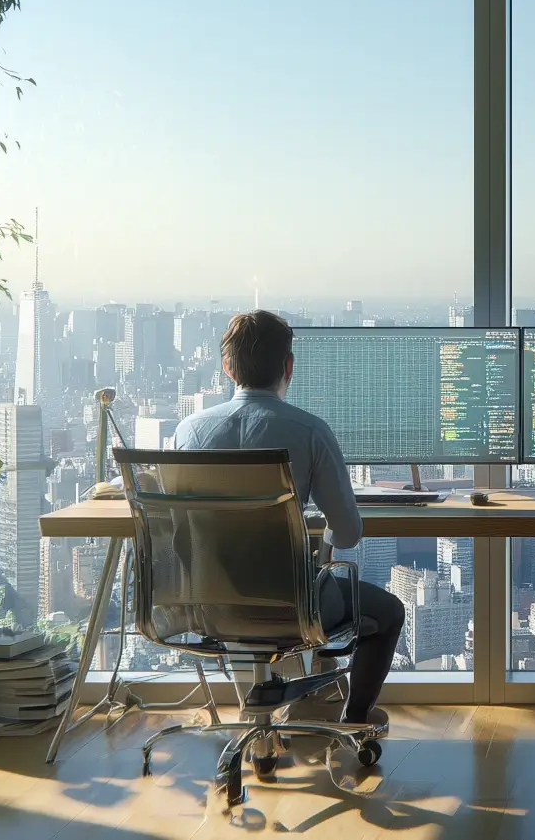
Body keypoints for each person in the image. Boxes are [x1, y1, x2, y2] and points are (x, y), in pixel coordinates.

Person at [172, 310, 404, 730]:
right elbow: (349, 532)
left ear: (227, 367)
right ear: (289, 367)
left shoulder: (188, 433)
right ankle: (354, 718)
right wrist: (319, 540)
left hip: (207, 605)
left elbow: (179, 533)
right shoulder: (309, 431)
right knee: (388, 611)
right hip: (293, 605)